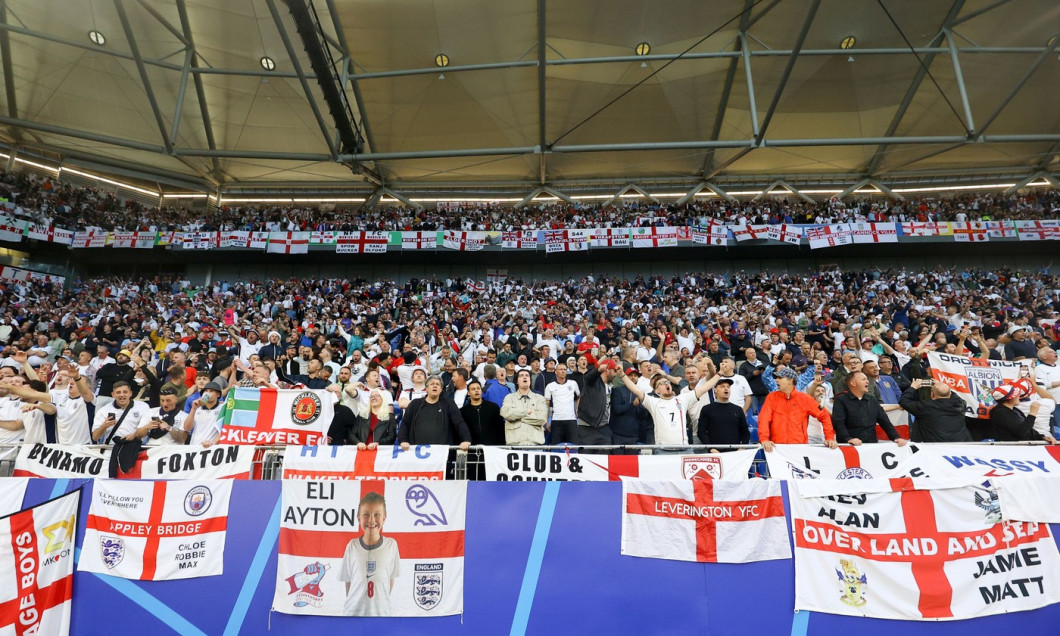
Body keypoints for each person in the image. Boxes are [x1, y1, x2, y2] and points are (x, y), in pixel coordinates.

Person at [620, 368, 719, 449]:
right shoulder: (653, 402)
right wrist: (622, 374)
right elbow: (635, 390)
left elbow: (704, 388)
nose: (666, 384)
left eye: (667, 382)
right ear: (656, 390)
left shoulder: (682, 399)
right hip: (663, 450)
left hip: (684, 449)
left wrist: (720, 373)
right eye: (662, 383)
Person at [339, 492, 400, 616]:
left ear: (384, 518)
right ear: (358, 518)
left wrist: (380, 601)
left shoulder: (391, 545)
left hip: (381, 613)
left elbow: (390, 579)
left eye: (377, 514)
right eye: (366, 515)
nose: (371, 520)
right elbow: (348, 581)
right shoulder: (352, 546)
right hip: (354, 614)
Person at [758, 367, 838, 452]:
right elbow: (764, 419)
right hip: (777, 449)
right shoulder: (771, 397)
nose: (776, 380)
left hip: (799, 448)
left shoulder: (805, 399)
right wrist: (764, 439)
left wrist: (829, 437)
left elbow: (824, 415)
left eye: (780, 378)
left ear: (790, 381)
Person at [831, 372, 908, 446]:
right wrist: (848, 439)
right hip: (849, 446)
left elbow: (884, 421)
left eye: (867, 379)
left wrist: (896, 437)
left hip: (871, 444)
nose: (867, 382)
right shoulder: (841, 400)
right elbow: (838, 423)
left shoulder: (872, 399)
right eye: (863, 379)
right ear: (853, 383)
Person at [398, 376, 472, 450]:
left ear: (441, 389)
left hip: (442, 453)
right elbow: (405, 423)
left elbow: (459, 422)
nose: (435, 385)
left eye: (438, 384)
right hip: (417, 452)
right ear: (426, 389)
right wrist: (403, 440)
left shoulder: (449, 404)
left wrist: (466, 439)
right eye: (432, 384)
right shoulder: (415, 403)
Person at [899, 378, 972, 442]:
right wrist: (941, 386)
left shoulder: (926, 407)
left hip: (934, 449)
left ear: (932, 394)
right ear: (950, 393)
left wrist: (913, 387)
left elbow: (904, 401)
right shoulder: (960, 405)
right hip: (960, 446)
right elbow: (955, 396)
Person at [574, 359, 620, 449]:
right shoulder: (593, 382)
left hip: (604, 428)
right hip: (588, 427)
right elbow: (588, 377)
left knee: (604, 460)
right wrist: (598, 370)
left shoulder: (612, 387)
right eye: (614, 371)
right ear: (607, 370)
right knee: (587, 459)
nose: (616, 374)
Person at [989, 382, 1057, 443]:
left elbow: (1028, 429)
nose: (1019, 396)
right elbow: (1022, 431)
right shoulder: (1000, 412)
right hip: (1012, 450)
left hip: (1021, 448)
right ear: (1010, 398)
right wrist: (1032, 413)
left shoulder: (1014, 410)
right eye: (1016, 395)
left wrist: (1042, 437)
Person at [328, 390, 396, 448]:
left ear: (382, 399)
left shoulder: (390, 417)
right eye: (371, 396)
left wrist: (378, 443)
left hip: (380, 451)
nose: (373, 398)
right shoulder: (362, 415)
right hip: (361, 450)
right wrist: (358, 443)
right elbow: (352, 433)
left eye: (377, 395)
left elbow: (392, 437)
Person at [697, 377, 750, 448]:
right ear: (715, 390)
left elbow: (745, 432)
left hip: (736, 454)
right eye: (722, 386)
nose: (726, 388)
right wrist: (711, 449)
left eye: (728, 387)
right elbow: (701, 432)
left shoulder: (738, 409)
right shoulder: (707, 409)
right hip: (715, 454)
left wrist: (742, 448)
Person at [500, 369, 548, 445]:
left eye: (527, 376)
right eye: (521, 376)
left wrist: (518, 417)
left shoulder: (539, 398)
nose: (524, 377)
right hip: (515, 446)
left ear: (530, 380)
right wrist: (526, 411)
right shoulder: (509, 397)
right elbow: (506, 413)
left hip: (535, 446)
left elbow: (542, 418)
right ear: (517, 381)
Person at [543, 362, 580, 444]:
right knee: (556, 448)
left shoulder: (573, 383)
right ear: (556, 371)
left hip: (571, 420)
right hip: (557, 420)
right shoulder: (550, 386)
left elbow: (579, 396)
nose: (563, 371)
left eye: (564, 369)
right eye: (560, 369)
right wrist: (546, 421)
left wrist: (577, 410)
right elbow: (547, 404)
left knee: (573, 447)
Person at [460, 379, 505, 445]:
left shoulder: (493, 407)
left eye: (478, 388)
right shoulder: (463, 411)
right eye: (473, 389)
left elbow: (500, 428)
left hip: (492, 448)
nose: (476, 390)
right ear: (468, 393)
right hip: (472, 449)